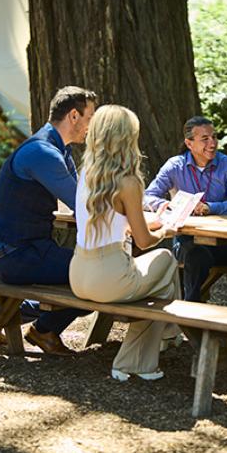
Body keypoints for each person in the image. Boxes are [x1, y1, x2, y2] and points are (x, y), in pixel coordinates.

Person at [0, 86, 97, 355]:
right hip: (14, 255)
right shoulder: (43, 153)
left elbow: (81, 202)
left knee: (92, 273)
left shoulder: (58, 149)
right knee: (95, 278)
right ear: (74, 116)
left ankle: (3, 314)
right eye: (90, 118)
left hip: (26, 249)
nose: (92, 126)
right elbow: (82, 206)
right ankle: (44, 331)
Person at [69, 105, 181, 381]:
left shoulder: (87, 174)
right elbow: (144, 241)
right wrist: (166, 229)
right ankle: (143, 355)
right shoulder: (128, 181)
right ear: (126, 138)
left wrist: (149, 220)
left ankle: (166, 337)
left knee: (158, 280)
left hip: (78, 274)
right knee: (166, 261)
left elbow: (115, 221)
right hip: (109, 279)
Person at [143, 116, 227, 302]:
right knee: (197, 255)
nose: (212, 143)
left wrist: (209, 207)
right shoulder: (175, 166)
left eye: (214, 137)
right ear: (189, 143)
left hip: (226, 242)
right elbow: (146, 198)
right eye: (205, 139)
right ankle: (190, 308)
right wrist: (170, 205)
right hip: (189, 241)